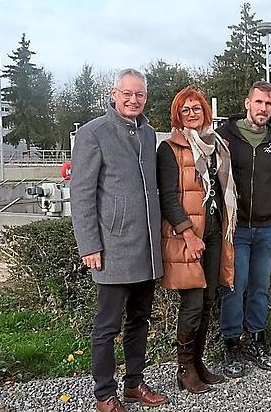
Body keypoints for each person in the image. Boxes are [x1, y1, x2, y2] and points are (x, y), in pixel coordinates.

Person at [71, 68, 168, 412]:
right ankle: (104, 394)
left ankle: (134, 383)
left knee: (140, 319)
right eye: (127, 93)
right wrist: (90, 245)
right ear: (114, 94)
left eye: (139, 94)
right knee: (107, 325)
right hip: (112, 248)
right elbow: (82, 194)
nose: (133, 100)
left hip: (146, 249)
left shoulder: (149, 133)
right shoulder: (93, 133)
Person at [157, 86, 238, 393]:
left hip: (216, 232)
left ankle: (198, 363)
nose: (192, 114)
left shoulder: (217, 145)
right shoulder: (170, 149)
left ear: (206, 112)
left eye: (196, 109)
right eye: (185, 110)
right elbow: (168, 196)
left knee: (207, 301)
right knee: (192, 304)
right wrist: (188, 234)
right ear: (178, 116)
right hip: (187, 237)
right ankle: (184, 368)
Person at [216, 81, 271, 374]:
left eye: (268, 104)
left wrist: (267, 202)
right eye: (258, 102)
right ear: (248, 103)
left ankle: (258, 339)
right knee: (235, 286)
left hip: (268, 227)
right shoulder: (226, 136)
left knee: (260, 288)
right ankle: (231, 344)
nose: (263, 109)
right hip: (236, 230)